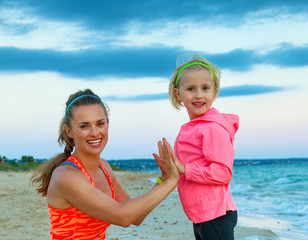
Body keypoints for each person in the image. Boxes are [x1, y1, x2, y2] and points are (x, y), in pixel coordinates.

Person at [31, 89, 179, 240]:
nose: (95, 133)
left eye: (100, 123)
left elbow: (136, 217)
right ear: (69, 131)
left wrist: (163, 180)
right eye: (84, 126)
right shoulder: (67, 176)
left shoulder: (104, 167)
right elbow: (124, 217)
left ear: (107, 124)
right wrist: (172, 182)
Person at [167, 55, 239, 240]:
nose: (199, 95)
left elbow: (223, 172)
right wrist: (170, 169)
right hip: (203, 214)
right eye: (191, 89)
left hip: (216, 215)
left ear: (214, 91)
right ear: (178, 94)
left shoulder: (212, 128)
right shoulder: (195, 127)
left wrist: (185, 168)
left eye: (205, 88)